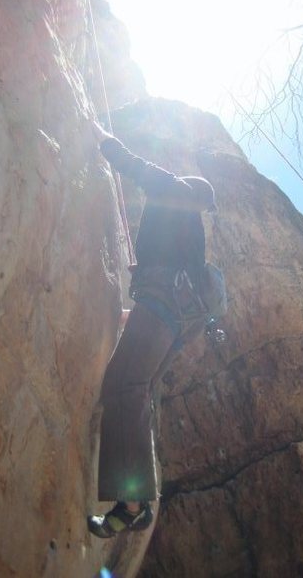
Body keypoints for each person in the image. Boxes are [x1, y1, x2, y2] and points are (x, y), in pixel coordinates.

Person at [87, 125, 217, 538]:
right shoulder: (188, 236)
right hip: (177, 319)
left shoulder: (176, 191)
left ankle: (131, 502)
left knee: (125, 385)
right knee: (136, 389)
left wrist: (108, 143)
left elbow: (142, 169)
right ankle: (137, 499)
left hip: (163, 305)